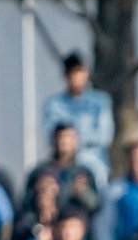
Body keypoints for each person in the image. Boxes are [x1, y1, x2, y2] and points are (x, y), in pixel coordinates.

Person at [43, 52, 115, 186]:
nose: (75, 77)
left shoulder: (100, 102)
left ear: (86, 73)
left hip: (93, 159)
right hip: (63, 160)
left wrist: (75, 141)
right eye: (71, 73)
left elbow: (105, 136)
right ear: (65, 75)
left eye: (79, 72)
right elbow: (50, 135)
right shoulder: (54, 104)